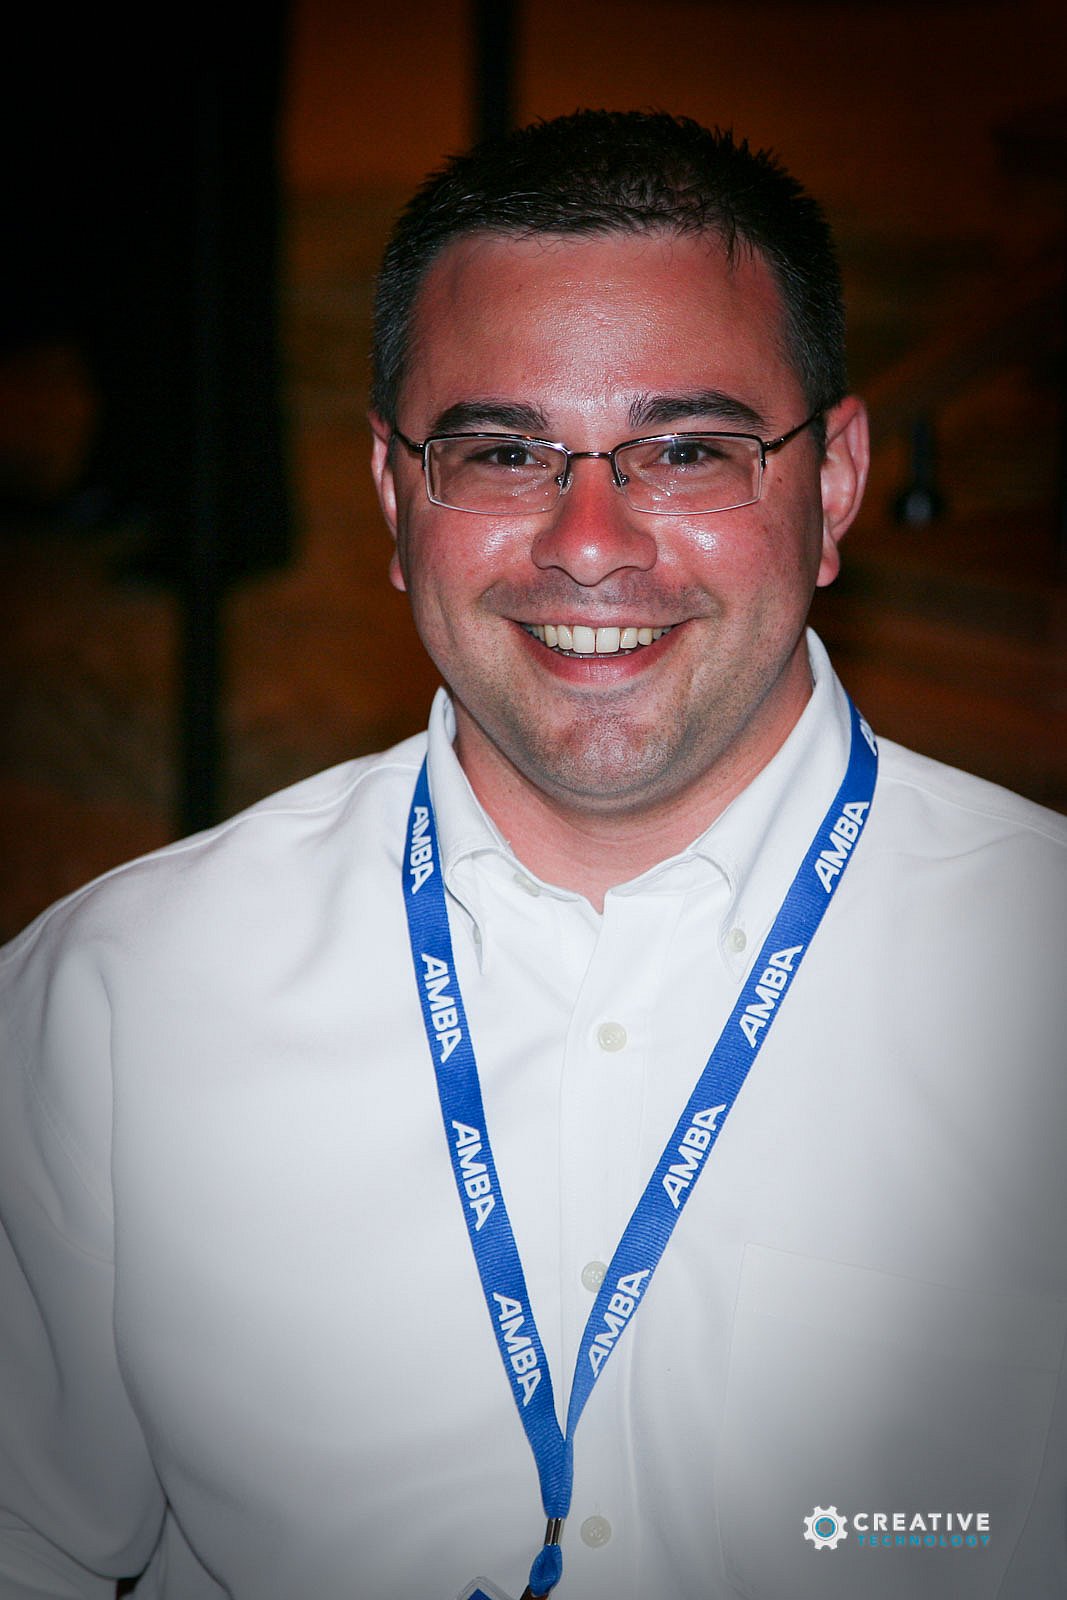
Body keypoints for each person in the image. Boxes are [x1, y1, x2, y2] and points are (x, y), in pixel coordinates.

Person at [1, 110, 1064, 1600]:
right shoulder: (118, 1000)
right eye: (503, 452)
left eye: (686, 451)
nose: (589, 541)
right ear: (394, 496)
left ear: (832, 485)